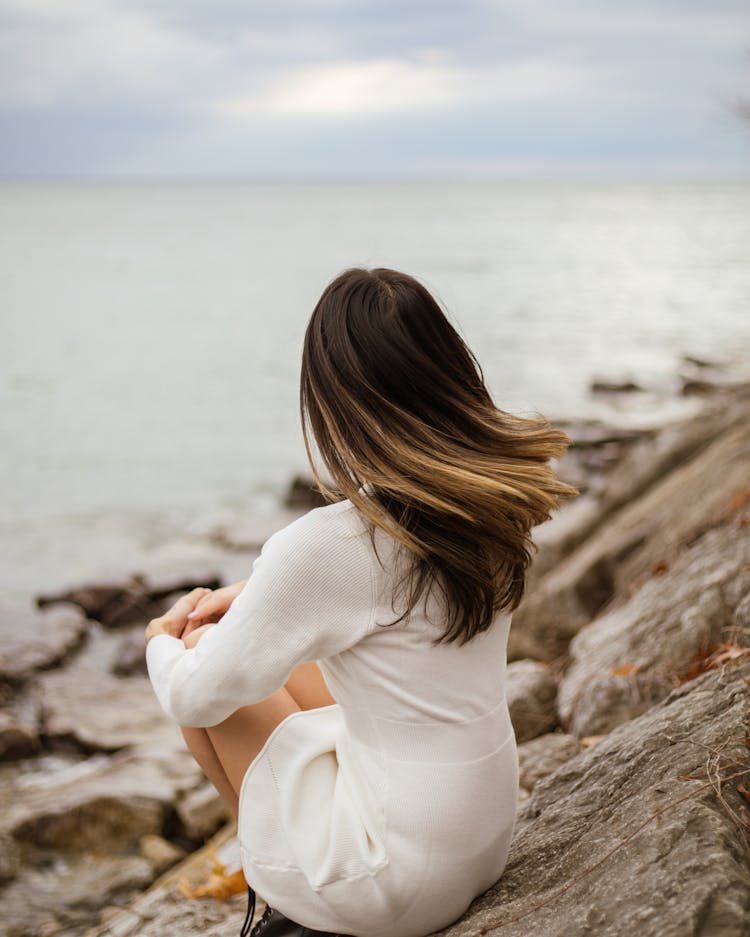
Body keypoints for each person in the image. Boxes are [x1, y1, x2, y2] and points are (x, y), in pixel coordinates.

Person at [144, 267, 579, 937]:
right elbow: (378, 592)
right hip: (479, 834)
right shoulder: (492, 498)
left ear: (332, 400)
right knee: (262, 649)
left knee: (205, 664)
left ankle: (286, 895)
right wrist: (251, 595)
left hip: (398, 883)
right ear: (447, 371)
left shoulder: (332, 544)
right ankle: (287, 869)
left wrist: (160, 639)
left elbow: (195, 696)